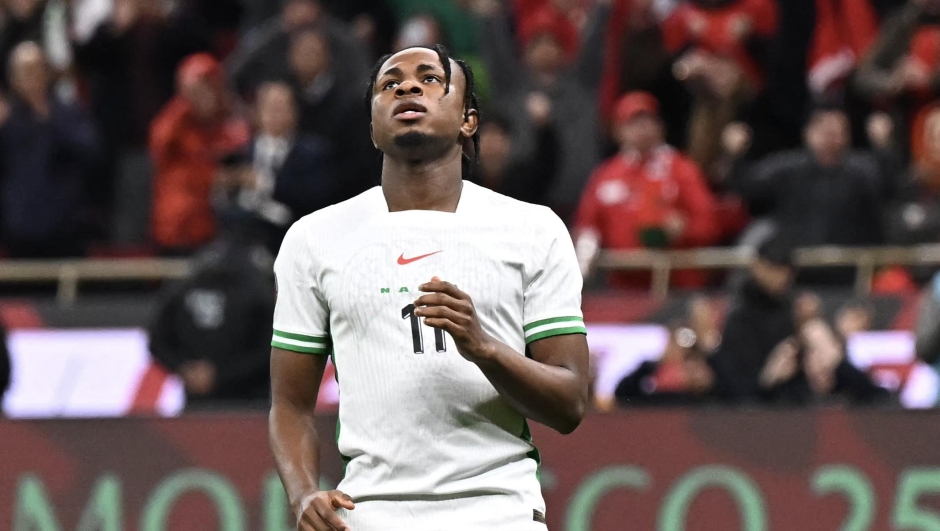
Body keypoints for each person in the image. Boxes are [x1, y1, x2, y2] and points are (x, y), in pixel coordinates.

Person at [269, 45, 589, 530]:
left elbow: (570, 403)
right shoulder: (314, 240)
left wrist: (485, 349)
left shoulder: (533, 230)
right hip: (369, 516)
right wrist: (302, 494)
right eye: (388, 83)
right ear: (373, 127)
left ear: (468, 121)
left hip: (498, 513)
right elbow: (290, 404)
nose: (407, 87)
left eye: (430, 79)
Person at [725, 104, 886, 284]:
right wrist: (737, 155)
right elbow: (747, 186)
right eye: (826, 131)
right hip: (796, 272)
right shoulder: (787, 169)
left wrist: (883, 148)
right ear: (808, 132)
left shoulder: (862, 173)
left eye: (839, 131)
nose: (832, 138)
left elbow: (889, 190)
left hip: (847, 271)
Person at [574, 91, 719, 289]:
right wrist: (585, 251)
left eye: (648, 121)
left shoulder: (681, 169)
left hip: (675, 285)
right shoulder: (606, 175)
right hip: (622, 288)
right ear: (617, 131)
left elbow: (709, 223)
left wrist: (684, 229)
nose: (642, 129)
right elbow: (587, 224)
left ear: (660, 126)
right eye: (633, 123)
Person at [149, 236, 275, 409]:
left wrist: (190, 370)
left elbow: (157, 341)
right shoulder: (258, 289)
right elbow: (274, 348)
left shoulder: (183, 286)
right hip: (242, 405)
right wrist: (189, 370)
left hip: (243, 402)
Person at [0, 41, 100, 257]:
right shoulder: (8, 119)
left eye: (36, 68)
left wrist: (47, 118)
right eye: (24, 71)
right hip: (20, 232)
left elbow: (90, 153)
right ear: (12, 78)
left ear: (47, 72)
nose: (31, 76)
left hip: (66, 230)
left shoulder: (68, 113)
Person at [214, 81, 339, 254]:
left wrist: (265, 183)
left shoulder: (313, 154)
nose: (274, 115)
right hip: (244, 240)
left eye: (281, 108)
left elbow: (317, 196)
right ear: (256, 113)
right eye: (269, 108)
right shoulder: (240, 154)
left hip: (291, 241)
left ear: (294, 112)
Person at [149, 53, 250, 254]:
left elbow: (239, 145)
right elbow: (158, 142)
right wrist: (184, 102)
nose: (206, 95)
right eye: (199, 89)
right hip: (176, 229)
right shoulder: (177, 125)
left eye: (210, 87)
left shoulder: (222, 124)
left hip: (210, 228)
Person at [710, 233, 797, 402]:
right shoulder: (740, 317)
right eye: (775, 268)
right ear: (757, 267)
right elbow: (732, 383)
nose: (782, 277)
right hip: (749, 414)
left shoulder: (791, 311)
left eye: (787, 270)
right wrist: (768, 378)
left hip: (791, 411)